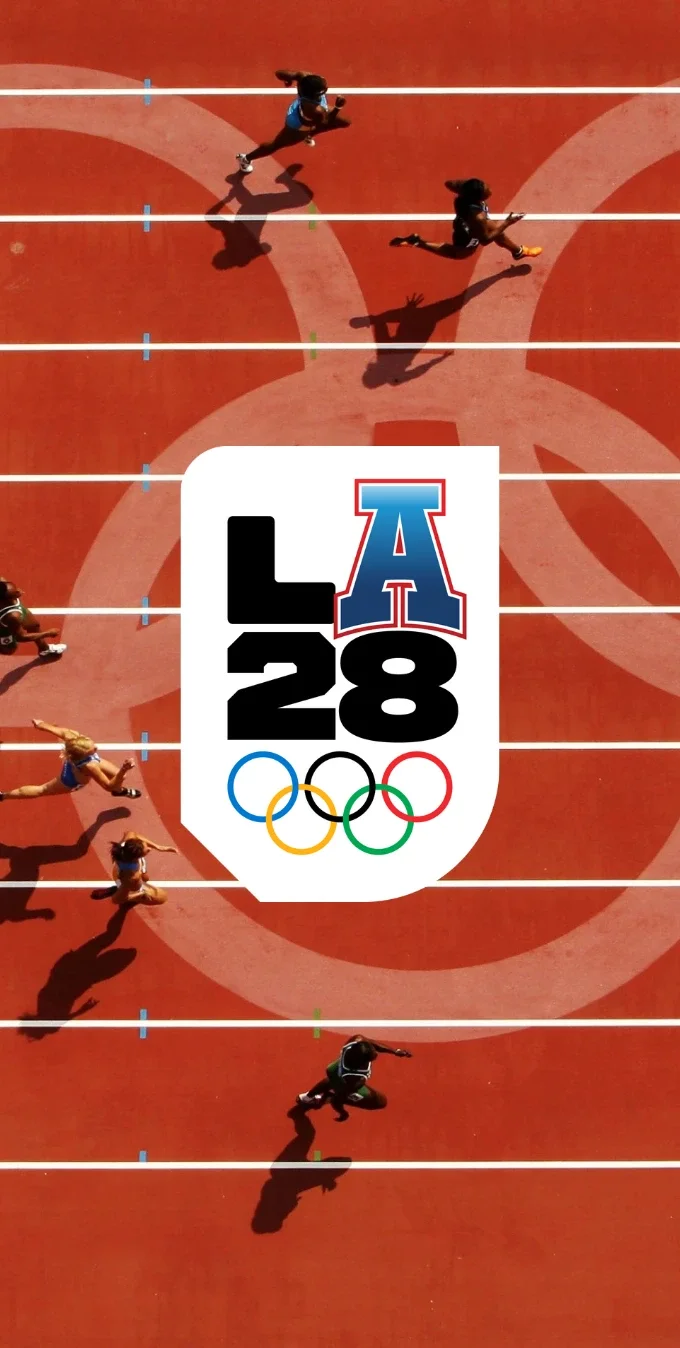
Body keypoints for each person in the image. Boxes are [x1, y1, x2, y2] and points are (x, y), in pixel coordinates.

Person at [390, 177, 542, 262]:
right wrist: (507, 223)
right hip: (467, 233)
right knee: (460, 254)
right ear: (478, 198)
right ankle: (419, 243)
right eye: (486, 190)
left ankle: (518, 252)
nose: (490, 189)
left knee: (497, 231)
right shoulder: (478, 217)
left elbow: (448, 183)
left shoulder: (462, 189)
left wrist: (465, 185)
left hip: (466, 218)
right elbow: (485, 240)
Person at [0, 718, 141, 802]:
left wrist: (41, 725)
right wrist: (124, 769)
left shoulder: (74, 738)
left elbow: (61, 732)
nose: (96, 747)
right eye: (93, 750)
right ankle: (4, 796)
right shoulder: (90, 766)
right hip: (71, 780)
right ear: (86, 755)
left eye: (92, 745)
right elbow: (108, 786)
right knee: (42, 789)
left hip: (79, 762)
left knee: (118, 776)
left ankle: (119, 791)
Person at [236, 70, 349, 173]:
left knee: (345, 122)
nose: (326, 86)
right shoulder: (315, 110)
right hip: (298, 125)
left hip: (307, 113)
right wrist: (338, 107)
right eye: (324, 88)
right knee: (276, 144)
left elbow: (279, 73)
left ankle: (308, 135)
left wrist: (289, 79)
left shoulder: (304, 77)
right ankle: (245, 159)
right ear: (316, 93)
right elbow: (325, 122)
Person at [297, 1034, 412, 1112]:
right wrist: (341, 1112)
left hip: (334, 1069)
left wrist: (394, 1051)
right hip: (346, 1082)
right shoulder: (357, 1078)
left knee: (330, 1081)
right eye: (371, 1058)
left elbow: (371, 1043)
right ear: (362, 1061)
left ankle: (307, 1097)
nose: (375, 1055)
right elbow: (342, 1094)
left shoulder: (356, 1041)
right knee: (381, 1102)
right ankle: (326, 1098)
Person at [91, 830, 178, 905]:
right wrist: (139, 895)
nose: (149, 849)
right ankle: (123, 892)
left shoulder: (124, 847)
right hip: (128, 883)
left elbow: (131, 833)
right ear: (136, 857)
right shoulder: (133, 876)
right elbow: (116, 900)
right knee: (162, 897)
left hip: (119, 874)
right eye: (146, 850)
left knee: (144, 879)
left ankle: (121, 888)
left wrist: (159, 847)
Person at [0, 577, 66, 659]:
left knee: (34, 625)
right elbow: (21, 637)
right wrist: (48, 633)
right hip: (5, 630)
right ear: (6, 599)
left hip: (16, 608)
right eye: (15, 592)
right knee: (9, 650)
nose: (18, 590)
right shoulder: (13, 616)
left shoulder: (3, 587)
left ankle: (44, 649)